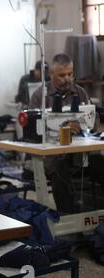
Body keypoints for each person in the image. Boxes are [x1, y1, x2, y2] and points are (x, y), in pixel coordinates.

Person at [29, 54, 104, 214]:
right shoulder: (39, 96)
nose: (68, 79)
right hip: (53, 157)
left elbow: (94, 123)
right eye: (62, 75)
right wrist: (63, 129)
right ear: (51, 74)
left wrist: (84, 126)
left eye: (70, 74)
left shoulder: (80, 93)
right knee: (60, 171)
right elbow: (33, 130)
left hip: (80, 155)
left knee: (101, 164)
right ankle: (68, 220)